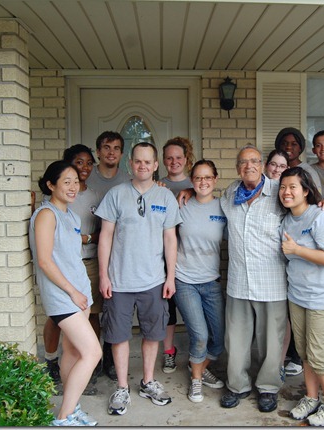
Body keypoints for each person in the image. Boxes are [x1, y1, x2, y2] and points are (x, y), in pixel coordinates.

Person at [96, 142, 182, 415]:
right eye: (138, 161)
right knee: (119, 336)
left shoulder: (165, 197)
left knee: (153, 333)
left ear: (156, 165)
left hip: (154, 280)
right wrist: (103, 276)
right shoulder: (115, 194)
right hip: (119, 281)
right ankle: (122, 387)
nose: (142, 166)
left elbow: (170, 239)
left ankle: (148, 381)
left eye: (148, 162)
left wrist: (170, 277)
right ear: (130, 163)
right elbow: (105, 236)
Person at [30, 160, 101, 426]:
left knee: (72, 352)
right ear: (51, 185)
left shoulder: (71, 215)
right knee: (92, 352)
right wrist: (72, 292)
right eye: (66, 182)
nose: (73, 187)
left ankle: (71, 408)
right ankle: (62, 419)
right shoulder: (46, 215)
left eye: (75, 181)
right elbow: (45, 260)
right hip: (64, 296)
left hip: (79, 294)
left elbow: (71, 256)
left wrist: (82, 292)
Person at [218, 145, 288, 413]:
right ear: (237, 168)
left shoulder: (279, 192)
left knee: (271, 342)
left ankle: (268, 387)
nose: (249, 166)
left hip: (272, 283)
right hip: (238, 282)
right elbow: (205, 199)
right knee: (235, 340)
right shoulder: (230, 194)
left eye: (254, 161)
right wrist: (187, 192)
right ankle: (237, 385)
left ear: (262, 165)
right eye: (243, 162)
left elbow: (305, 207)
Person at [278, 167, 324, 426]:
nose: (286, 192)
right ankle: (311, 397)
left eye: (293, 187)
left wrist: (297, 249)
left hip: (323, 298)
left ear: (306, 190)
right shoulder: (287, 220)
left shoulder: (321, 217)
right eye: (283, 187)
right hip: (298, 296)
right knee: (305, 352)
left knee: (319, 355)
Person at [173, 159, 226, 403]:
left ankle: (200, 367)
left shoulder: (223, 207)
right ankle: (196, 380)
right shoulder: (181, 204)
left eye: (207, 177)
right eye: (197, 177)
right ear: (191, 181)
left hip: (211, 282)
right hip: (184, 280)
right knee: (200, 335)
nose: (203, 182)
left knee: (219, 338)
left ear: (215, 179)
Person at [86, 130, 133, 382]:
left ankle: (110, 356)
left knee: (114, 311)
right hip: (92, 254)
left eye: (116, 148)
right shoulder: (87, 178)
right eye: (106, 147)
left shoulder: (128, 181)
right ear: (98, 151)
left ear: (122, 154)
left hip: (121, 257)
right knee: (93, 310)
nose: (111, 152)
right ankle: (93, 357)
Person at [264, 149, 303, 378]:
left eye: (282, 166)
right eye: (273, 164)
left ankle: (283, 361)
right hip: (266, 267)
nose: (276, 169)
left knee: (287, 317)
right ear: (266, 166)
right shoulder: (258, 190)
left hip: (290, 265)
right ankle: (272, 361)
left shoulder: (289, 193)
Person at [159, 136, 195, 374]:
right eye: (169, 158)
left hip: (191, 257)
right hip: (163, 257)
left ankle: (197, 354)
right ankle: (169, 351)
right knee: (168, 307)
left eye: (178, 157)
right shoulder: (156, 185)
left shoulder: (196, 183)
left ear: (186, 158)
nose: (174, 162)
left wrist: (192, 190)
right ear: (163, 160)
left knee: (193, 311)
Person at [274, 127, 323, 195]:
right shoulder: (274, 170)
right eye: (284, 143)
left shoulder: (308, 172)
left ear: (300, 148)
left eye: (294, 144)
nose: (288, 147)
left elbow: (317, 197)